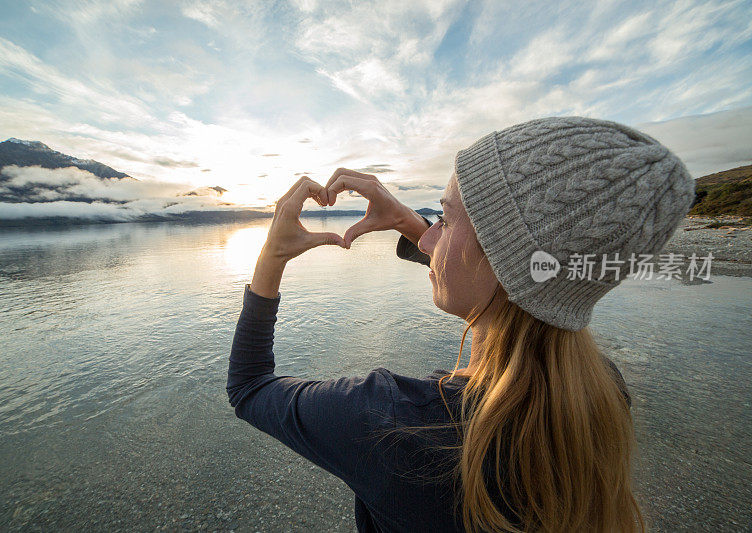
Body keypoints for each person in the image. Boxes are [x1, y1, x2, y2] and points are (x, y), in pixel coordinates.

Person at [227, 116, 695, 532]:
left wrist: (272, 255)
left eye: (445, 220)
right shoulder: (600, 393)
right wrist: (406, 221)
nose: (428, 238)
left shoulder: (388, 423)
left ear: (506, 261)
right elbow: (512, 280)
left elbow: (248, 388)